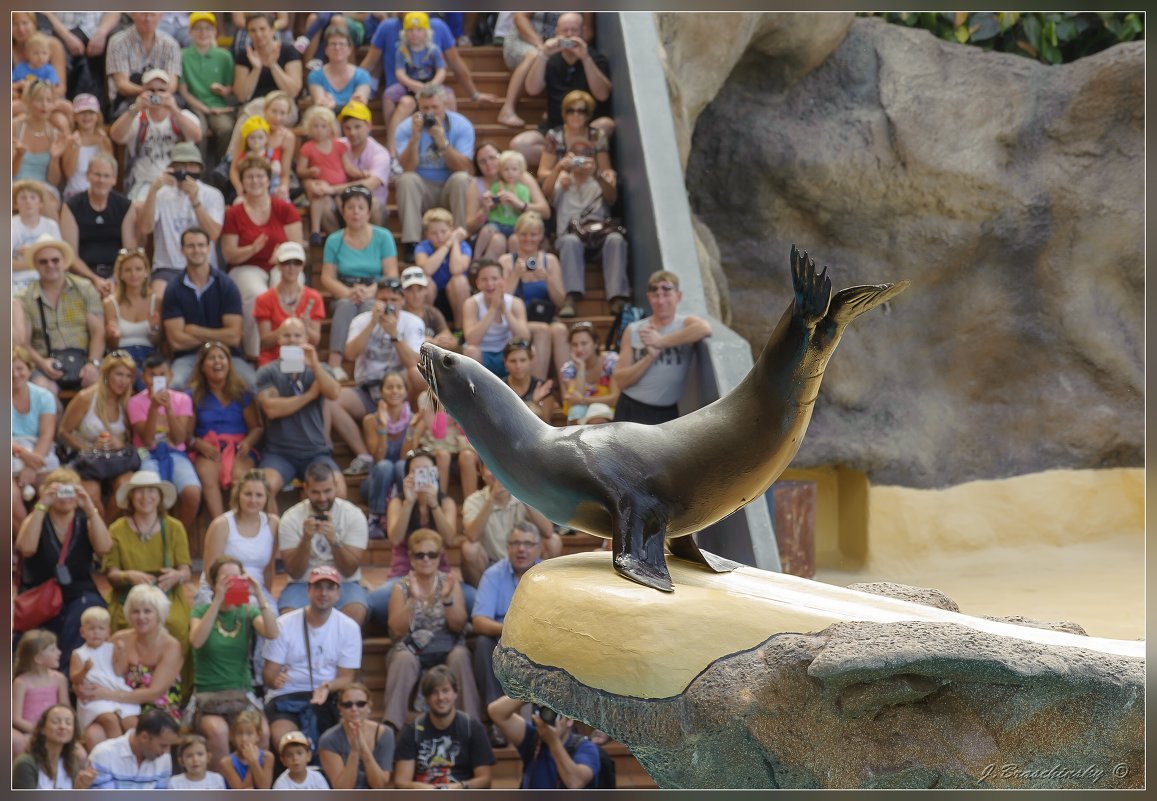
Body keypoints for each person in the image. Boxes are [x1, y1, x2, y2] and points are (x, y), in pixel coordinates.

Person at [382, 529, 479, 734]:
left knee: (461, 655)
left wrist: (446, 599)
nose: (426, 559)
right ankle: (391, 727)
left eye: (432, 554)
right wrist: (413, 601)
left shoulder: (450, 584)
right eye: (420, 554)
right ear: (411, 557)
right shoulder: (401, 587)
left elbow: (458, 625)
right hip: (411, 647)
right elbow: (396, 629)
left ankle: (471, 725)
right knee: (402, 659)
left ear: (440, 556)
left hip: (447, 644)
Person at [14, 468, 112, 669]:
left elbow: (104, 548)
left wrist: (89, 507)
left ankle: (67, 675)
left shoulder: (84, 520)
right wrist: (42, 506)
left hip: (78, 591)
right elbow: (26, 548)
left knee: (86, 613)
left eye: (70, 491)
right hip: (41, 593)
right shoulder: (37, 518)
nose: (65, 497)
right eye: (59, 491)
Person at [263, 565, 363, 759]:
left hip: (326, 698)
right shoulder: (284, 624)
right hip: (287, 696)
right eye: (318, 587)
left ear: (338, 593)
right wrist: (274, 678)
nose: (323, 593)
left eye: (330, 587)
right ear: (308, 590)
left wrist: (328, 686)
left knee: (334, 748)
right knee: (290, 745)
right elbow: (268, 675)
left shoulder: (349, 627)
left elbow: (347, 678)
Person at [188, 557, 278, 768]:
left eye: (236, 578)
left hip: (241, 693)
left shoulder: (247, 611)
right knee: (219, 733)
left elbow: (272, 633)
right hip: (208, 695)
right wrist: (218, 600)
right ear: (213, 583)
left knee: (262, 732)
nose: (231, 582)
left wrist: (259, 596)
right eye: (225, 579)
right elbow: (196, 640)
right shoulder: (200, 611)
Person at [103, 471, 193, 671]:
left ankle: (174, 687)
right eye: (139, 492)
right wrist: (128, 576)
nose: (146, 497)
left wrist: (176, 576)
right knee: (123, 625)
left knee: (177, 625)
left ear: (160, 497)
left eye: (151, 491)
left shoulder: (174, 527)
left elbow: (186, 570)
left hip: (167, 595)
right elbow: (111, 574)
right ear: (130, 497)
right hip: (128, 597)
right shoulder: (116, 529)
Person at [220, 155, 304, 359]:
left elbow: (297, 247)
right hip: (246, 265)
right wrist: (252, 249)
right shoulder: (233, 214)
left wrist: (282, 254)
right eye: (249, 177)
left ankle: (292, 355)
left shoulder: (285, 209)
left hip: (282, 265)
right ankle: (257, 355)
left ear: (268, 180)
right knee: (257, 295)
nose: (255, 181)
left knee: (287, 290)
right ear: (242, 182)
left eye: (260, 176)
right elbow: (229, 254)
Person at [257, 319, 348, 499]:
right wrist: (309, 396)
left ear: (306, 339)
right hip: (279, 453)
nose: (292, 340)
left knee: (338, 490)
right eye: (287, 335)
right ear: (279, 340)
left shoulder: (320, 369)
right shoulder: (267, 371)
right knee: (265, 489)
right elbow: (271, 409)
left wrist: (314, 365)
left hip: (315, 452)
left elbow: (334, 393)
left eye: (297, 335)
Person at [366, 449, 461, 620]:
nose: (421, 476)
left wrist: (433, 504)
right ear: (407, 476)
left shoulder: (446, 502)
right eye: (416, 472)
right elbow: (395, 538)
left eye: (426, 471)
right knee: (373, 603)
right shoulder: (397, 502)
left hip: (439, 575)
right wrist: (409, 503)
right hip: (402, 575)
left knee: (469, 602)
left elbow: (449, 539)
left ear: (435, 473)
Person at [318, 185, 400, 380]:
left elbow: (391, 274)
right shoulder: (333, 240)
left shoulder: (383, 237)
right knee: (346, 306)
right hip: (344, 292)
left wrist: (369, 291)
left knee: (371, 306)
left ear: (369, 212)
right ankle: (335, 363)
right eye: (351, 207)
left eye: (361, 207)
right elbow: (327, 278)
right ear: (343, 212)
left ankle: (365, 361)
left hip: (375, 291)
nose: (356, 212)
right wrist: (349, 293)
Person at [613, 271, 713, 425]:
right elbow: (620, 380)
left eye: (666, 294)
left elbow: (705, 329)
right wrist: (649, 357)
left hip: (667, 414)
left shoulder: (684, 324)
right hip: (631, 409)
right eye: (655, 295)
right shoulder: (634, 329)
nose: (661, 301)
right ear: (649, 298)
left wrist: (661, 341)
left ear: (678, 296)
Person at [162, 227, 255, 390]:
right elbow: (176, 341)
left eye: (201, 245)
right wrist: (219, 335)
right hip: (188, 356)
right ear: (181, 250)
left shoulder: (226, 285)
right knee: (174, 386)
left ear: (209, 248)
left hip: (227, 355)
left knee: (253, 384)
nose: (196, 250)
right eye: (191, 246)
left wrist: (194, 330)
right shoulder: (173, 288)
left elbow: (234, 337)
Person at [277, 462, 370, 625]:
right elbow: (294, 572)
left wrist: (335, 541)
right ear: (305, 488)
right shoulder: (291, 517)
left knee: (356, 610)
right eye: (315, 492)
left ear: (336, 486)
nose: (322, 498)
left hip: (343, 582)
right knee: (289, 617)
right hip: (303, 583)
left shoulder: (353, 515)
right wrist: (305, 540)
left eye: (327, 491)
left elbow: (349, 570)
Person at [472, 523, 545, 725]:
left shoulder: (549, 577)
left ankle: (546, 719)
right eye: (516, 543)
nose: (521, 549)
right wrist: (511, 631)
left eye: (528, 544)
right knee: (481, 643)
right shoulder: (493, 575)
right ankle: (496, 716)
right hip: (500, 641)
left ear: (539, 549)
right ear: (508, 548)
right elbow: (479, 621)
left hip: (537, 643)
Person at [519, 12, 613, 168]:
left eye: (574, 30)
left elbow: (602, 95)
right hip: (556, 129)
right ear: (557, 33)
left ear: (583, 31)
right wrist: (543, 55)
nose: (569, 35)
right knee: (520, 145)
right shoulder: (549, 59)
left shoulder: (596, 59)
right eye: (565, 31)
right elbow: (532, 89)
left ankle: (569, 163)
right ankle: (567, 164)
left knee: (606, 125)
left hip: (586, 128)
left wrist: (585, 58)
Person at [80, 584, 184, 724]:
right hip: (118, 704)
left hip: (156, 709)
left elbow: (153, 694)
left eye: (147, 611)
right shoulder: (118, 639)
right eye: (136, 611)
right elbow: (100, 670)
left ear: (159, 614)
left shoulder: (171, 646)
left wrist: (109, 695)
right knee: (95, 733)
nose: (141, 617)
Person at [16, 233, 105, 396]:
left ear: (64, 262)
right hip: (44, 364)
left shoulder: (84, 288)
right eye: (43, 261)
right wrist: (42, 363)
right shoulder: (24, 297)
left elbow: (98, 332)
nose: (50, 265)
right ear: (35, 265)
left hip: (84, 360)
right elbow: (23, 342)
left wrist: (93, 363)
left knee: (99, 390)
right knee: (43, 392)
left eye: (55, 260)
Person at [395, 83, 475, 259]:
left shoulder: (461, 125)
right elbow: (407, 168)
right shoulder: (406, 128)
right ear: (418, 107)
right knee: (407, 179)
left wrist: (443, 143)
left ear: (445, 105)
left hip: (449, 188)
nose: (430, 113)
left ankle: (461, 240)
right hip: (422, 190)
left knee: (462, 179)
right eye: (425, 108)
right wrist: (414, 139)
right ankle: (411, 243)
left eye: (435, 107)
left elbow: (464, 168)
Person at [550, 138, 628, 317]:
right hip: (571, 236)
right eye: (575, 153)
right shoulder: (561, 180)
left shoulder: (602, 179)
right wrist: (559, 169)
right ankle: (571, 297)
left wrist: (597, 174)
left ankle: (617, 297)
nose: (580, 158)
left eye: (586, 154)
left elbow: (612, 199)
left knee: (616, 240)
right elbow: (546, 196)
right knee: (569, 242)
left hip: (599, 235)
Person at [135, 142, 226, 293]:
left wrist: (195, 200)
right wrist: (152, 191)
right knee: (158, 297)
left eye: (191, 165)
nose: (186, 170)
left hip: (204, 266)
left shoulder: (212, 194)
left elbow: (214, 233)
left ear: (200, 169)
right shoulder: (161, 194)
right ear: (171, 169)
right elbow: (145, 227)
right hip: (168, 267)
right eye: (181, 165)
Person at [56, 352, 138, 520]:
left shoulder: (128, 401)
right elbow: (63, 432)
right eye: (119, 374)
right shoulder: (86, 397)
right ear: (107, 374)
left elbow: (133, 439)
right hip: (86, 458)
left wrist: (120, 443)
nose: (123, 381)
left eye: (128, 376)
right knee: (91, 493)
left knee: (126, 487)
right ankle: (100, 537)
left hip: (115, 458)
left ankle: (106, 533)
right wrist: (89, 448)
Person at [127, 354, 202, 535]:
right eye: (152, 375)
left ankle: (177, 535)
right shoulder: (135, 402)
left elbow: (179, 439)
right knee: (150, 495)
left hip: (176, 453)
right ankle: (153, 536)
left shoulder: (182, 399)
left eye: (162, 374)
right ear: (143, 377)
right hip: (147, 454)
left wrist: (168, 409)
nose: (157, 379)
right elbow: (148, 440)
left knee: (193, 493)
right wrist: (153, 408)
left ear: (170, 376)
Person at [340, 276, 425, 431]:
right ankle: (363, 453)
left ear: (402, 300)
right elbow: (350, 355)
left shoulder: (413, 322)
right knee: (333, 401)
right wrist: (372, 323)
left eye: (394, 299)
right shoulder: (361, 321)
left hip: (401, 390)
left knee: (417, 374)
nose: (389, 304)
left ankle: (412, 424)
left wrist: (394, 336)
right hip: (368, 388)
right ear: (375, 300)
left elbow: (415, 363)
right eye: (383, 299)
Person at [393, 665, 495, 789]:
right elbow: (400, 783)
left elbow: (485, 780)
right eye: (434, 693)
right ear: (426, 699)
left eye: (445, 691)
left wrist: (459, 787)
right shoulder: (412, 731)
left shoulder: (472, 728)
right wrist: (424, 789)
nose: (441, 698)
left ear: (455, 693)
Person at [462, 463, 560, 590]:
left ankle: (542, 588)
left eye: (502, 468)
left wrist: (522, 495)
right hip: (490, 564)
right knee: (469, 548)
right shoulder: (473, 500)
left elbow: (548, 531)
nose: (498, 473)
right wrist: (491, 498)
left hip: (525, 561)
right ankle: (483, 594)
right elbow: (471, 536)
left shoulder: (524, 495)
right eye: (491, 467)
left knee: (554, 541)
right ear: (481, 472)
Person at [109, 69, 202, 203]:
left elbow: (196, 136)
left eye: (161, 90)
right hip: (145, 183)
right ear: (142, 91)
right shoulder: (137, 118)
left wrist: (174, 110)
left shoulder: (182, 116)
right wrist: (135, 108)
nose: (156, 94)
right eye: (151, 90)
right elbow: (116, 136)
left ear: (169, 92)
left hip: (178, 183)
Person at [499, 211, 569, 376]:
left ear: (541, 236)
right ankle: (537, 386)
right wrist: (515, 275)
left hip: (543, 316)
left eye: (533, 235)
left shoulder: (550, 261)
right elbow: (500, 301)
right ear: (516, 235)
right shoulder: (506, 261)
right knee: (542, 330)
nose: (528, 239)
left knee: (559, 330)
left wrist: (547, 279)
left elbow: (561, 302)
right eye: (523, 234)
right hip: (515, 321)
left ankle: (569, 388)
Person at [195, 473, 278, 609]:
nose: (253, 500)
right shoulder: (221, 524)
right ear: (238, 495)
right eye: (248, 494)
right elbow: (210, 572)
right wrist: (230, 596)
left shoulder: (273, 523)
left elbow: (269, 569)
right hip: (221, 587)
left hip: (256, 590)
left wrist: (264, 596)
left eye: (259, 495)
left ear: (267, 498)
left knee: (272, 625)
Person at [59, 150, 134, 295]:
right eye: (97, 174)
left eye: (106, 176)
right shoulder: (71, 206)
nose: (101, 180)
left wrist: (114, 279)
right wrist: (94, 279)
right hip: (83, 276)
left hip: (118, 275)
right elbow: (70, 254)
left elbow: (129, 252)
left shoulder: (125, 206)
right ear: (88, 176)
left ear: (114, 179)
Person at [489, 694, 601, 789]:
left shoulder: (586, 747)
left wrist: (553, 741)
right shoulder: (533, 738)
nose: (550, 718)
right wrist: (532, 692)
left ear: (569, 720)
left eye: (555, 713)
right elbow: (496, 711)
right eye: (546, 712)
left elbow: (575, 782)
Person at [466, 141, 551, 262]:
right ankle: (484, 267)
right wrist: (484, 210)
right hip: (490, 233)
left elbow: (545, 212)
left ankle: (520, 274)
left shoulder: (521, 177)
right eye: (482, 161)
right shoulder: (476, 185)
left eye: (492, 157)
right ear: (477, 165)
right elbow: (469, 228)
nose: (489, 163)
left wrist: (520, 204)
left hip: (517, 230)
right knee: (497, 240)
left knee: (515, 240)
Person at [71, 606, 139, 751]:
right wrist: (84, 670)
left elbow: (120, 671)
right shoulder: (79, 653)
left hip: (115, 690)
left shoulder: (111, 648)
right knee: (110, 720)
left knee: (131, 721)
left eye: (101, 629)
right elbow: (74, 678)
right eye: (91, 629)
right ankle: (119, 753)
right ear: (82, 632)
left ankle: (135, 752)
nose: (96, 633)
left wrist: (121, 653)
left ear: (108, 632)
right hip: (94, 697)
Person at [297, 105, 364, 245]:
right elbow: (300, 170)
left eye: (323, 126)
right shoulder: (307, 147)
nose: (319, 130)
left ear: (330, 128)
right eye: (315, 126)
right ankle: (315, 231)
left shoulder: (339, 146)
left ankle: (350, 228)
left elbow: (348, 168)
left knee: (344, 201)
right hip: (321, 187)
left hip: (339, 187)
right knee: (317, 198)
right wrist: (309, 172)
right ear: (309, 127)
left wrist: (359, 174)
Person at [253, 241, 325, 367]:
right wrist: (286, 328)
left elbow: (316, 340)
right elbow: (264, 342)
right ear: (278, 265)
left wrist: (306, 327)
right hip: (273, 360)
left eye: (297, 263)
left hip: (303, 359)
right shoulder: (263, 299)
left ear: (302, 266)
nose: (291, 267)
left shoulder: (314, 298)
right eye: (286, 263)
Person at [178, 12, 236, 169]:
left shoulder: (224, 57)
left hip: (219, 105)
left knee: (226, 128)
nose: (203, 33)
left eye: (208, 29)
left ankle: (223, 168)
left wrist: (223, 90)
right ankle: (198, 171)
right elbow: (183, 91)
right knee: (198, 131)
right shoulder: (183, 56)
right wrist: (206, 109)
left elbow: (230, 87)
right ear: (190, 32)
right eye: (198, 29)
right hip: (195, 105)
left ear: (215, 32)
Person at [12, 346, 60, 530]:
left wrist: (32, 466)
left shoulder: (44, 396)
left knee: (53, 491)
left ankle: (50, 543)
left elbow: (47, 434)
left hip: (40, 453)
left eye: (19, 368)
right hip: (12, 452)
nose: (15, 374)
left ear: (29, 369)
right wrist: (22, 454)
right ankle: (26, 546)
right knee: (10, 498)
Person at [384, 12, 447, 153]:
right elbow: (399, 73)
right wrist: (412, 84)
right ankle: (391, 144)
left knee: (449, 96)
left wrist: (432, 85)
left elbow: (442, 70)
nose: (414, 34)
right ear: (404, 33)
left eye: (419, 30)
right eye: (410, 30)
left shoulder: (433, 50)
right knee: (389, 94)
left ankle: (447, 134)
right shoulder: (402, 50)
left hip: (431, 87)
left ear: (426, 32)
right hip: (410, 86)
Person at [494, 12, 567, 129]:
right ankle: (507, 109)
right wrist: (540, 45)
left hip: (558, 44)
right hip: (524, 39)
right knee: (535, 55)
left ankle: (556, 112)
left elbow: (587, 30)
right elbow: (519, 18)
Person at [360, 371, 413, 528]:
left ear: (405, 392)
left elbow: (407, 459)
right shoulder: (371, 420)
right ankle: (375, 518)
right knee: (385, 466)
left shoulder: (413, 419)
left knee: (401, 465)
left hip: (402, 480)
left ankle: (407, 515)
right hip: (376, 481)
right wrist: (383, 427)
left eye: (399, 387)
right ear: (381, 391)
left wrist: (411, 431)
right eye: (389, 387)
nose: (395, 391)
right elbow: (378, 459)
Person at [462, 258, 531, 378]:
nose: (490, 284)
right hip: (482, 353)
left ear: (502, 281)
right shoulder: (471, 304)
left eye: (494, 279)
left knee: (530, 350)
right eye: (484, 279)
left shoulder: (515, 303)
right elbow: (471, 340)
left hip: (508, 353)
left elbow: (525, 337)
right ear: (478, 283)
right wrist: (493, 309)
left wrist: (505, 310)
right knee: (471, 351)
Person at [318, 682, 395, 788]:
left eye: (360, 704)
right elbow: (342, 790)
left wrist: (364, 750)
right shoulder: (328, 740)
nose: (354, 709)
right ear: (340, 709)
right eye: (348, 705)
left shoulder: (385, 733)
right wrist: (354, 752)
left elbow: (380, 786)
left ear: (369, 706)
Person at [105, 13, 182, 118]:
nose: (148, 19)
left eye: (152, 15)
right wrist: (148, 92)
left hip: (163, 99)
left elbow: (172, 85)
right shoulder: (118, 42)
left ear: (161, 16)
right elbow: (122, 85)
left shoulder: (171, 44)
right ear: (133, 15)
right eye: (143, 14)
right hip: (128, 100)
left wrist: (156, 94)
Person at [101, 248, 161, 382]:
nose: (133, 274)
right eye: (128, 270)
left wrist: (154, 328)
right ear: (120, 274)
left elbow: (157, 342)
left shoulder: (156, 302)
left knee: (153, 375)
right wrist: (113, 336)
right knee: (136, 377)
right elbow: (111, 346)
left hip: (149, 356)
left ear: (146, 272)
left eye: (138, 269)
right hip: (122, 356)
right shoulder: (110, 303)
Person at [88, 708, 181, 789]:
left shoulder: (164, 759)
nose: (166, 752)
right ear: (144, 737)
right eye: (163, 745)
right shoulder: (104, 754)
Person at [413, 207, 473, 330]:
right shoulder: (422, 247)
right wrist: (447, 245)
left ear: (452, 229)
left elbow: (456, 270)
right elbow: (427, 270)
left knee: (459, 280)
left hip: (457, 297)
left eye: (444, 231)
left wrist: (455, 242)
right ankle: (428, 327)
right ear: (426, 234)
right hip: (433, 297)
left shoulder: (463, 246)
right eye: (434, 233)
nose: (439, 236)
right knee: (426, 281)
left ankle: (459, 330)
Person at [11, 705, 97, 789]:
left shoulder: (72, 763)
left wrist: (80, 788)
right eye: (56, 722)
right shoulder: (25, 764)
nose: (63, 726)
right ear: (42, 729)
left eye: (68, 723)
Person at [231, 13, 303, 111]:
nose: (258, 34)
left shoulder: (289, 51)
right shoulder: (244, 55)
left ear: (272, 30)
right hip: (255, 106)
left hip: (283, 107)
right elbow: (241, 96)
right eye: (253, 30)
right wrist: (256, 69)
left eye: (262, 29)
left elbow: (293, 92)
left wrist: (273, 66)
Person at [12, 79, 66, 210]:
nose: (45, 105)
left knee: (49, 203)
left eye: (49, 100)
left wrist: (54, 158)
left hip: (43, 187)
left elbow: (54, 182)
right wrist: (18, 155)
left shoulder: (55, 134)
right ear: (28, 102)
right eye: (39, 100)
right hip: (14, 184)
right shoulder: (14, 127)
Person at [13, 630, 71, 745]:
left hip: (57, 732)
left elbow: (66, 710)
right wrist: (41, 732)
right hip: (30, 733)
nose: (59, 653)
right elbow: (16, 718)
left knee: (81, 756)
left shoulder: (59, 679)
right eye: (53, 650)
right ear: (38, 658)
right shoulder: (21, 682)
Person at [559, 320, 619, 424]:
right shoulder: (568, 369)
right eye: (574, 344)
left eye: (584, 343)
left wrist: (583, 400)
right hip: (581, 412)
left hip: (608, 412)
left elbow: (614, 399)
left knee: (597, 419)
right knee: (575, 413)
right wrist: (581, 367)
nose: (579, 349)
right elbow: (577, 400)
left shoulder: (611, 361)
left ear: (595, 343)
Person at [60, 93, 114, 203]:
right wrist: (77, 147)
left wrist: (102, 144)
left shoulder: (104, 140)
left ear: (97, 116)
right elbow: (68, 173)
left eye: (91, 112)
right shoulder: (70, 141)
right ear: (75, 117)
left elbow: (110, 170)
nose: (87, 117)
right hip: (75, 193)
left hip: (101, 193)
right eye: (82, 113)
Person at [307, 25, 372, 112]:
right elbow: (320, 105)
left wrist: (333, 106)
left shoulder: (362, 75)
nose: (337, 48)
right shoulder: (315, 76)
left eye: (342, 44)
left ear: (349, 49)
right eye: (333, 44)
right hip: (327, 121)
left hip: (352, 120)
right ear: (326, 50)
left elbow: (360, 104)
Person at [12, 181, 62, 293]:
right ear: (15, 204)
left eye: (33, 197)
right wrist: (38, 261)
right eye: (23, 198)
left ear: (41, 203)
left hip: (47, 280)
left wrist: (30, 257)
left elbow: (59, 258)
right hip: (16, 281)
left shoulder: (51, 225)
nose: (28, 201)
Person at [400, 264, 459, 351]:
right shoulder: (398, 313)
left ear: (426, 290)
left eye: (419, 289)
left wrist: (445, 339)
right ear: (403, 292)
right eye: (410, 290)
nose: (416, 295)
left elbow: (448, 336)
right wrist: (425, 341)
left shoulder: (433, 312)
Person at [502, 340, 556, 423]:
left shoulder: (543, 388)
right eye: (513, 361)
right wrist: (532, 405)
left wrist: (536, 404)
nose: (518, 366)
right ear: (505, 362)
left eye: (523, 360)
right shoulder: (499, 387)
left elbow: (546, 423)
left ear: (531, 360)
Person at [219, 709, 274, 789]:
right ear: (233, 736)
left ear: (258, 736)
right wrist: (252, 762)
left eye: (249, 734)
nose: (244, 739)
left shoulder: (267, 757)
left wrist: (254, 762)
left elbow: (264, 788)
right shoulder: (226, 762)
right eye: (239, 733)